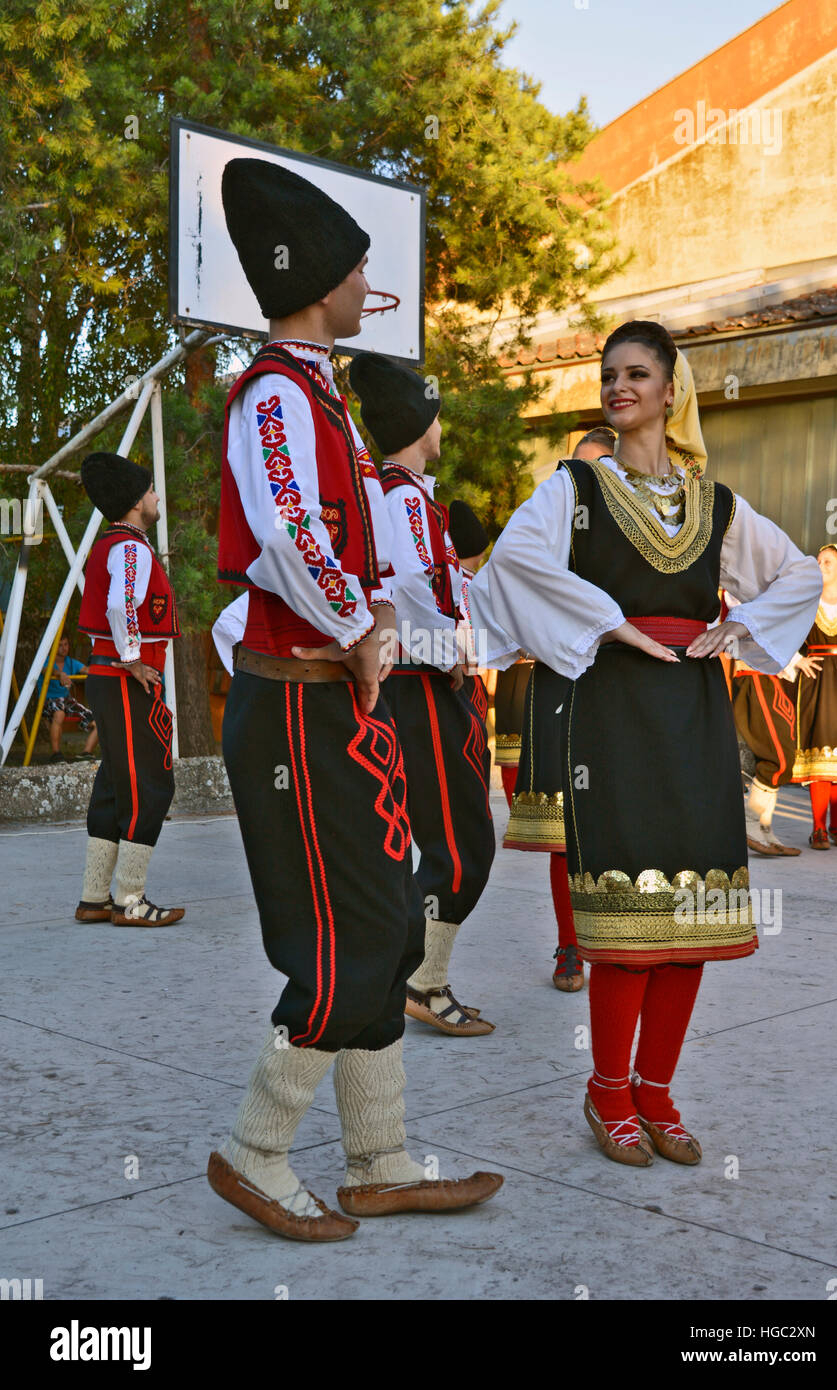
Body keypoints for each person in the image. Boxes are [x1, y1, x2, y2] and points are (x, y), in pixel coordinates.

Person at [209, 157, 502, 1242]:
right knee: (336, 937)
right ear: (320, 277)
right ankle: (256, 1147)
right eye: (358, 268)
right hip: (295, 703)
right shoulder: (277, 394)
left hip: (332, 699)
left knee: (383, 914)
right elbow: (290, 536)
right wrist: (361, 627)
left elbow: (334, 543)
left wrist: (368, 625)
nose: (367, 281)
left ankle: (376, 1159)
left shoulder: (316, 393)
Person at [470, 321, 821, 1167]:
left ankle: (659, 1092)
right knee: (629, 919)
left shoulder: (718, 504)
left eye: (636, 375)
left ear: (672, 392)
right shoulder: (574, 491)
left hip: (696, 712)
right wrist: (607, 623)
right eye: (609, 376)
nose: (618, 388)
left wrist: (733, 638)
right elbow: (512, 564)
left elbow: (800, 573)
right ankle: (608, 1091)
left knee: (689, 912)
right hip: (614, 713)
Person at [347, 353, 497, 1037]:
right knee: (460, 845)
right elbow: (409, 590)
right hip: (419, 681)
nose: (442, 426)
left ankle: (412, 973)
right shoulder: (403, 496)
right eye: (434, 415)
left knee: (438, 840)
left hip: (416, 678)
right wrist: (453, 655)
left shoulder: (402, 493)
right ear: (419, 422)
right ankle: (421, 980)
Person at [501, 427, 618, 994]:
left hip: (625, 680)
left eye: (595, 470)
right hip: (560, 677)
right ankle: (570, 943)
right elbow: (513, 581)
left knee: (624, 817)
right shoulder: (546, 526)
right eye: (576, 470)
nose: (581, 483)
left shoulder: (639, 530)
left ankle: (621, 940)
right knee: (563, 826)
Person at [75, 453, 184, 926]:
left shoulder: (113, 544)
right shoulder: (132, 547)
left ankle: (95, 896)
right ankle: (131, 900)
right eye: (153, 491)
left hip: (107, 676)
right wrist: (135, 659)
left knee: (115, 783)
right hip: (125, 677)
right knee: (150, 783)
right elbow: (123, 606)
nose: (158, 497)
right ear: (138, 501)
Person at [790, 542, 837, 848]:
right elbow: (780, 632)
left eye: (828, 562)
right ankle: (819, 828)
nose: (821, 566)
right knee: (817, 748)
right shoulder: (804, 600)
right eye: (819, 561)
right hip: (814, 679)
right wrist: (797, 660)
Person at [723, 592, 800, 856]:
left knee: (780, 755)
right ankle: (750, 823)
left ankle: (764, 828)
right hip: (750, 676)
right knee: (775, 755)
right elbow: (731, 640)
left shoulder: (764, 587)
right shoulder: (735, 593)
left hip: (770, 677)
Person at [41, 635, 98, 762]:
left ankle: (86, 752)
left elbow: (86, 670)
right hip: (50, 699)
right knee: (59, 713)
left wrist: (99, 664)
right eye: (60, 645)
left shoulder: (71, 662)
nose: (63, 648)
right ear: (54, 647)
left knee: (98, 721)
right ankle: (56, 753)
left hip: (67, 700)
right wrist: (59, 674)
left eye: (65, 645)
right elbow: (46, 670)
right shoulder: (46, 661)